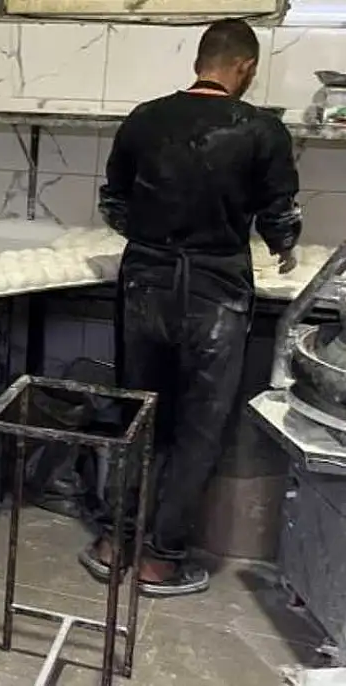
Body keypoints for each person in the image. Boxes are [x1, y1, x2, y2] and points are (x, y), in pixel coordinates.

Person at [80, 18, 302, 597]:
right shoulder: (261, 129)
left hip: (146, 281)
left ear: (198, 61)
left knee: (137, 410)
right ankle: (160, 559)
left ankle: (113, 542)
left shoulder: (145, 119)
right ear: (245, 68)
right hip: (215, 289)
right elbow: (279, 216)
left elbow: (114, 203)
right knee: (200, 424)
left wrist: (155, 239)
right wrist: (284, 247)